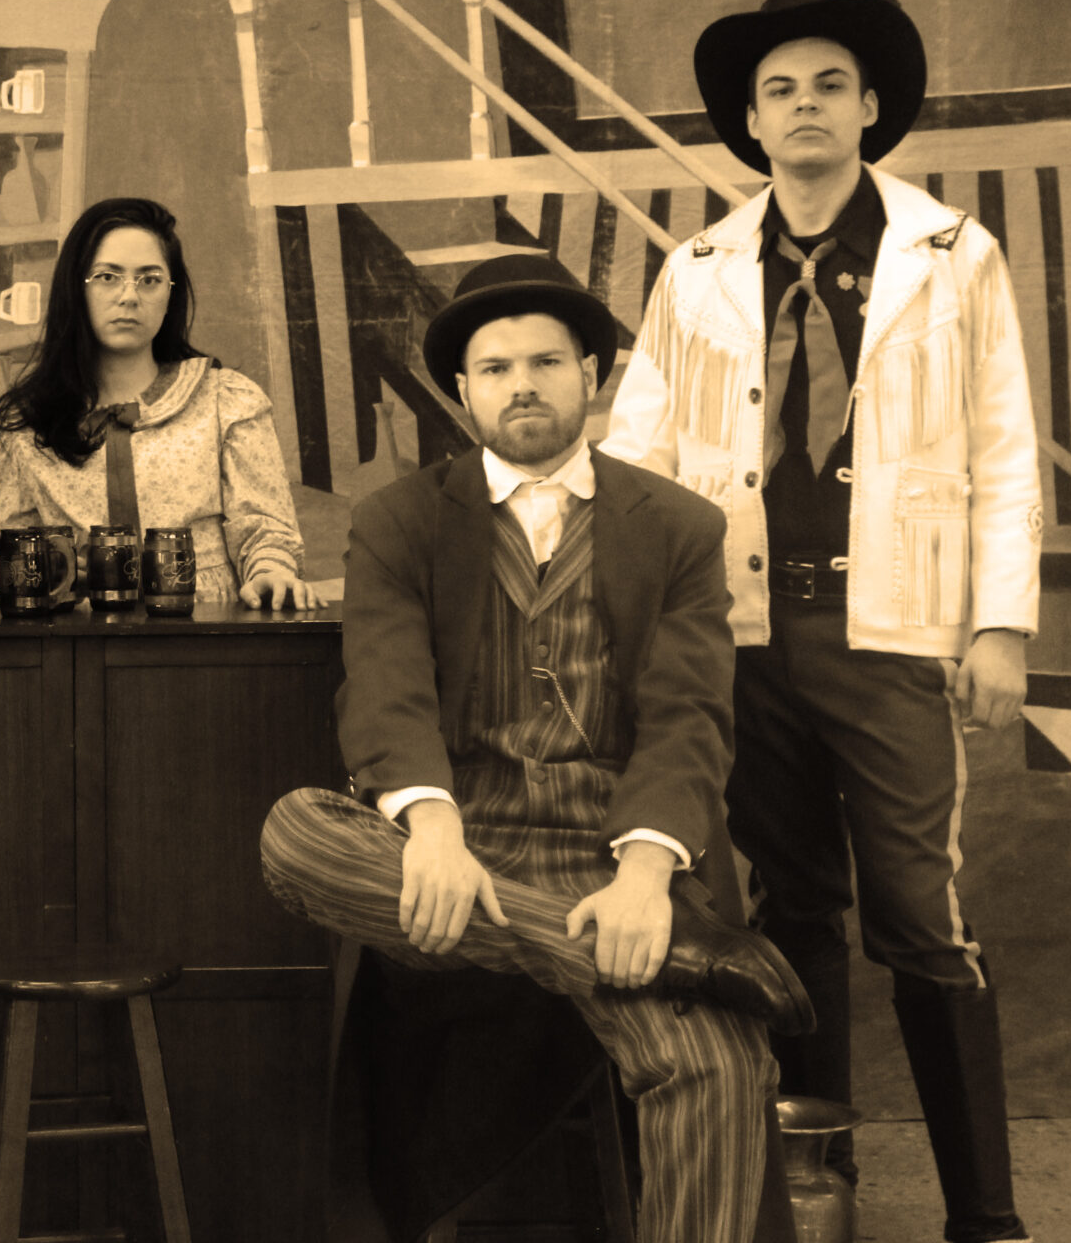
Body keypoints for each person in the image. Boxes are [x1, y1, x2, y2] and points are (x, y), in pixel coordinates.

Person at [603, 0, 1040, 1243]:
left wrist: (998, 622)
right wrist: (642, 621)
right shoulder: (694, 273)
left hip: (887, 627)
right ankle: (816, 1204)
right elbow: (638, 454)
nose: (805, 105)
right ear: (749, 120)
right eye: (780, 89)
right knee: (791, 908)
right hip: (740, 632)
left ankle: (988, 1215)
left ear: (870, 108)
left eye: (830, 84)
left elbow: (1004, 446)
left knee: (919, 909)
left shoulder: (953, 254)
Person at [257, 256, 812, 1243]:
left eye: (546, 361)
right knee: (295, 832)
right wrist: (429, 829)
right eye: (495, 365)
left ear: (591, 374)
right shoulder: (401, 519)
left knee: (717, 1065)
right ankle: (608, 950)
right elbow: (383, 687)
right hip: (463, 849)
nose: (522, 383)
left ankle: (620, 934)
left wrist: (646, 877)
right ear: (462, 389)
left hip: (612, 853)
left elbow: (690, 715)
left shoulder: (678, 525)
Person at [0, 196, 318, 608]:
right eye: (107, 277)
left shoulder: (224, 401)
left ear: (170, 293)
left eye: (150, 279)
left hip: (205, 638)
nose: (129, 296)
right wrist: (53, 575)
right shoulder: (25, 425)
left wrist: (270, 572)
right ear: (75, 287)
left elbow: (266, 530)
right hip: (78, 652)